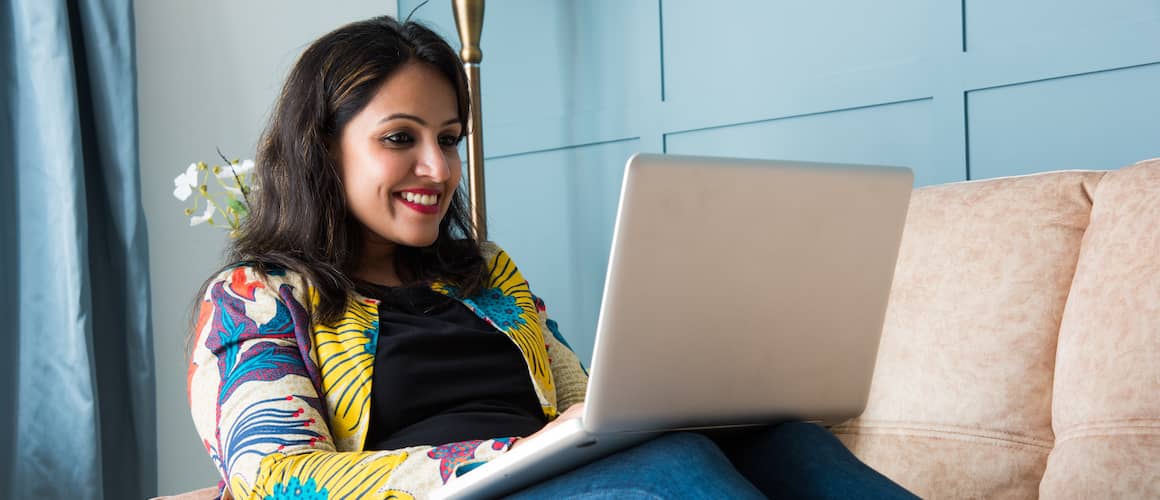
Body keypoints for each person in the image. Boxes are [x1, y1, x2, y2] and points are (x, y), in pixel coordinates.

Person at [187, 15, 917, 499]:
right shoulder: (255, 295)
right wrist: (503, 455)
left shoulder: (485, 272)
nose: (438, 169)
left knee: (789, 445)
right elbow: (273, 476)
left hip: (551, 482)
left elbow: (586, 408)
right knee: (675, 472)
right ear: (323, 147)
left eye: (448, 138)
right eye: (401, 138)